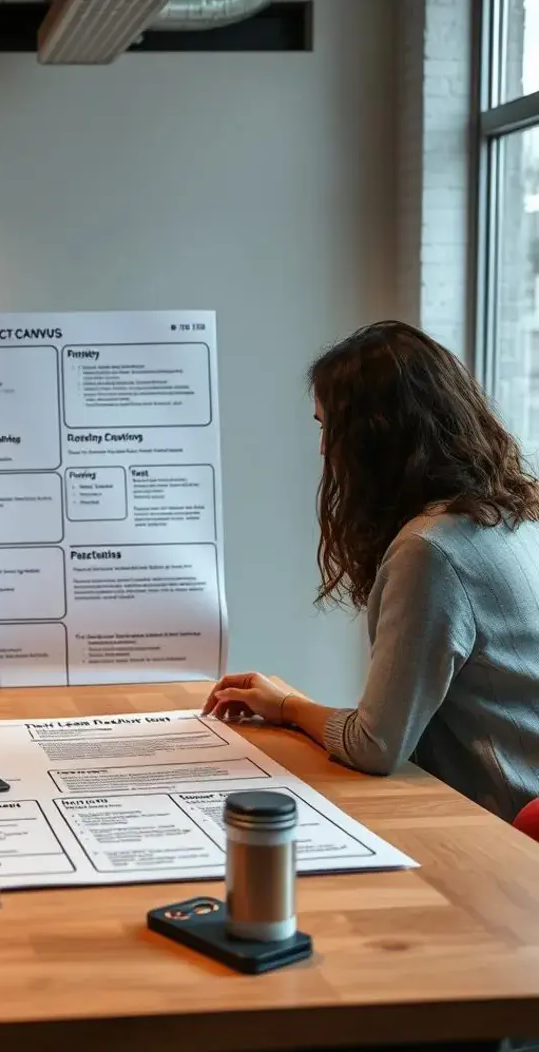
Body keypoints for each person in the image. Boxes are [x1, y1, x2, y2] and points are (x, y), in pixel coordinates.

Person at [204, 320, 539, 823]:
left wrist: (289, 707)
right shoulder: (512, 516)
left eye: (328, 428)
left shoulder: (431, 550)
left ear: (375, 437)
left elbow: (375, 744)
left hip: (494, 831)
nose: (323, 450)